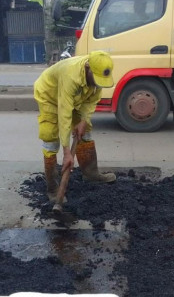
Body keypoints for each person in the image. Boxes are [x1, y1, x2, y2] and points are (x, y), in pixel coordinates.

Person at [34, 51, 116, 202]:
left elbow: (91, 100)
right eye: (96, 79)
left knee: (85, 132)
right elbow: (64, 114)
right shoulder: (71, 76)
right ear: (87, 67)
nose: (98, 84)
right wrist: (67, 153)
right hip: (49, 96)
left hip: (75, 97)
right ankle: (53, 188)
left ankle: (91, 174)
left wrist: (84, 120)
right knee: (50, 137)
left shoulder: (97, 76)